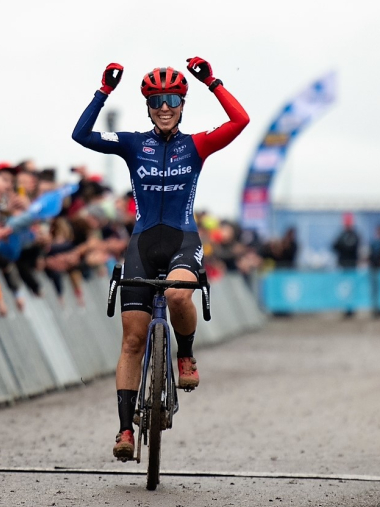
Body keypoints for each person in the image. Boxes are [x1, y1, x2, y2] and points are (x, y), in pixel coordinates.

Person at [72, 57, 249, 460]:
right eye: (155, 101)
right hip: (142, 244)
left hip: (182, 240)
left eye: (171, 99)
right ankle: (124, 431)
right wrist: (103, 91)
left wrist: (213, 82)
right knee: (132, 340)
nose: (164, 107)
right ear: (148, 107)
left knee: (177, 297)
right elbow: (81, 135)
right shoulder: (135, 143)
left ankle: (184, 353)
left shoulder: (197, 144)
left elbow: (239, 122)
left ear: (182, 104)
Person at [331, 213, 361, 317]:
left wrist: (343, 247)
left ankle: (351, 309)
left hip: (351, 266)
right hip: (343, 266)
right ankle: (346, 308)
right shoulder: (341, 235)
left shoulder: (354, 235)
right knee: (344, 288)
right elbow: (334, 246)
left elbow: (352, 247)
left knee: (351, 288)